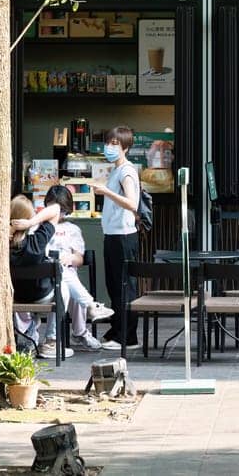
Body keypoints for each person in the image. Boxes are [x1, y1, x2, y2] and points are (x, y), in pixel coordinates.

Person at [11, 185, 115, 354]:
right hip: (40, 283)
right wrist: (32, 223)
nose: (59, 215)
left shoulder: (71, 230)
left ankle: (75, 328)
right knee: (61, 280)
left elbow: (79, 258)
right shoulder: (39, 231)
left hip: (54, 280)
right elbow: (53, 211)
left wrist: (69, 259)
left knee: (64, 278)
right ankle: (87, 307)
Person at [96, 126, 141, 349]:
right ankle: (117, 330)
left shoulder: (126, 171)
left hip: (123, 235)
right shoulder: (116, 170)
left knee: (124, 286)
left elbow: (132, 203)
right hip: (113, 234)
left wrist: (106, 192)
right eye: (108, 142)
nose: (109, 147)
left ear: (126, 147)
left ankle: (127, 337)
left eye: (115, 144)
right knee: (114, 285)